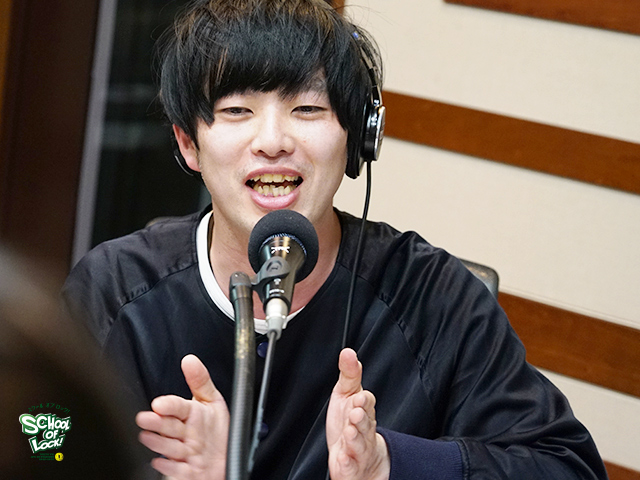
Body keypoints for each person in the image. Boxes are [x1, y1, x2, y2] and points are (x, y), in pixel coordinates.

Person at [62, 0, 608, 479]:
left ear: (358, 139)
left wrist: (389, 464)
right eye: (236, 111)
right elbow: (37, 442)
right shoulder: (115, 288)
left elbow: (565, 466)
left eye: (307, 109)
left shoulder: (432, 299)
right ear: (188, 144)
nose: (272, 141)